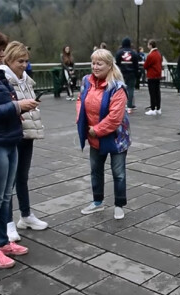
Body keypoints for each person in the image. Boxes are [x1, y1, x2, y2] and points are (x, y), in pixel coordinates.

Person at [0, 26, 33, 268]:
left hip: (9, 140)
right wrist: (16, 108)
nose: (1, 55)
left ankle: (2, 241)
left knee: (5, 197)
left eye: (3, 50)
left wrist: (18, 111)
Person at [0, 41, 48, 242]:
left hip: (27, 133)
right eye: (20, 61)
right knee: (7, 182)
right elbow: (4, 107)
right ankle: (8, 222)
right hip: (12, 134)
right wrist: (21, 106)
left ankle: (26, 215)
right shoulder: (2, 79)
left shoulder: (26, 79)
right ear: (9, 60)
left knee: (22, 177)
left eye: (26, 61)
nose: (24, 65)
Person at [77, 49, 131, 220]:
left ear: (109, 65)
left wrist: (97, 130)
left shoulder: (117, 87)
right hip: (94, 137)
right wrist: (82, 120)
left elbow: (115, 117)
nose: (95, 66)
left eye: (99, 63)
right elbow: (80, 100)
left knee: (118, 173)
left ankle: (119, 205)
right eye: (93, 63)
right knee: (96, 171)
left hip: (116, 138)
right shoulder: (87, 81)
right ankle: (97, 202)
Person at [115, 37, 139, 113]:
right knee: (130, 89)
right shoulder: (134, 53)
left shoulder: (119, 52)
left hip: (122, 73)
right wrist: (136, 73)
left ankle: (121, 105)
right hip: (131, 74)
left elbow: (117, 64)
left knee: (121, 89)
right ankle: (129, 106)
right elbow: (136, 65)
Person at [144, 39, 163, 116]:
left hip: (151, 76)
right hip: (158, 75)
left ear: (150, 45)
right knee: (157, 92)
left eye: (148, 44)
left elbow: (146, 65)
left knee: (152, 93)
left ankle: (152, 108)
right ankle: (158, 108)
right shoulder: (159, 54)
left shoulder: (151, 55)